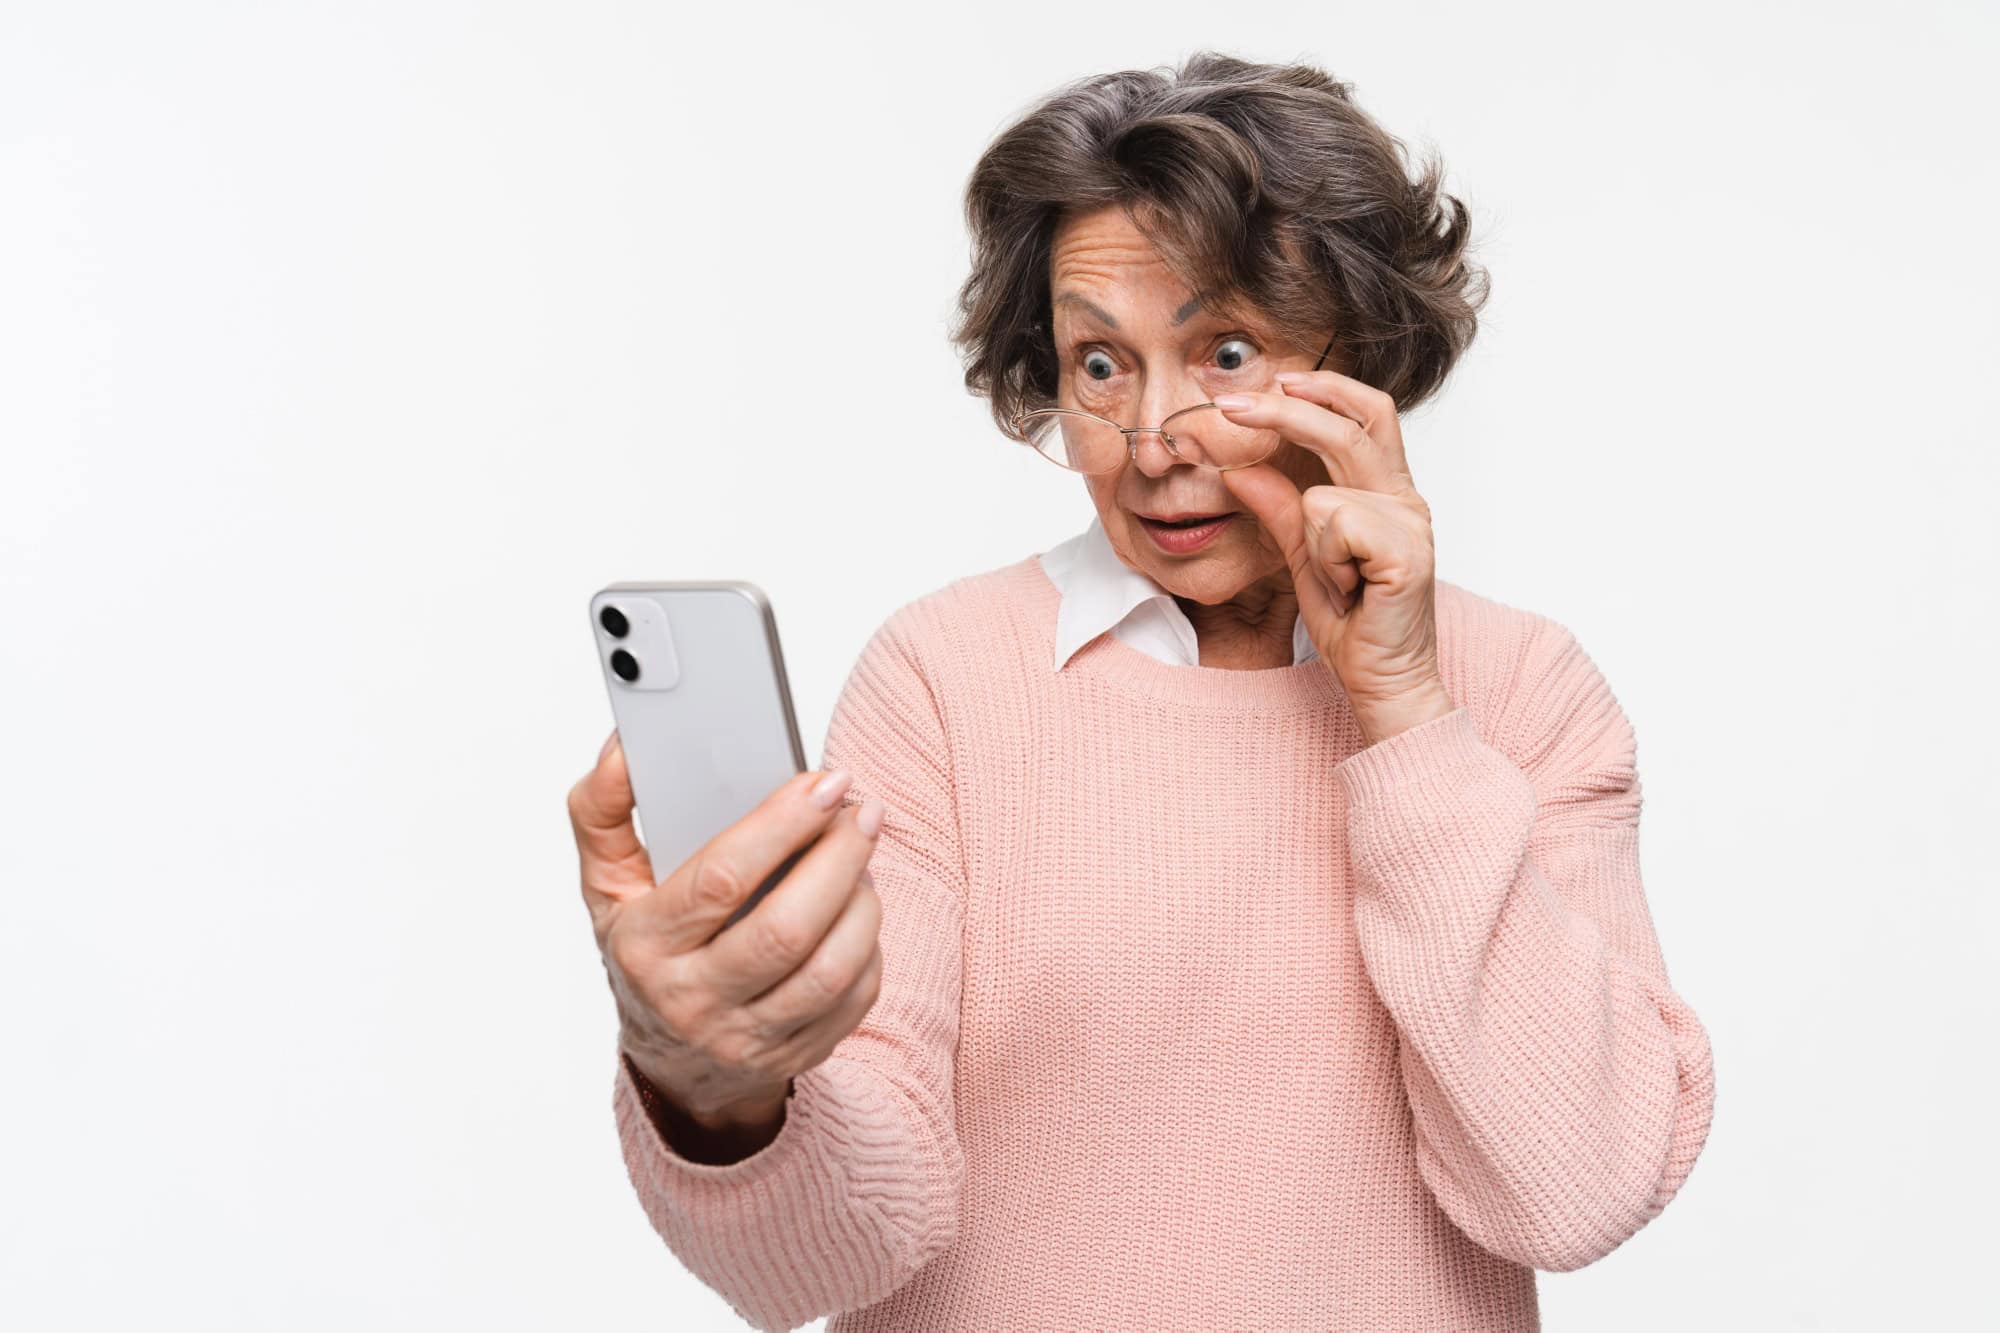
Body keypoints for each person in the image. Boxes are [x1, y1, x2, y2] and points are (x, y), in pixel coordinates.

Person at [567, 51, 1715, 1332]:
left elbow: (1577, 1191)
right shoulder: (942, 680)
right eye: (1100, 365)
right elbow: (830, 1262)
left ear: (1365, 358)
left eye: (1223, 351)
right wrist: (717, 1091)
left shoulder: (1519, 690)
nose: (1154, 439)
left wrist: (1402, 710)